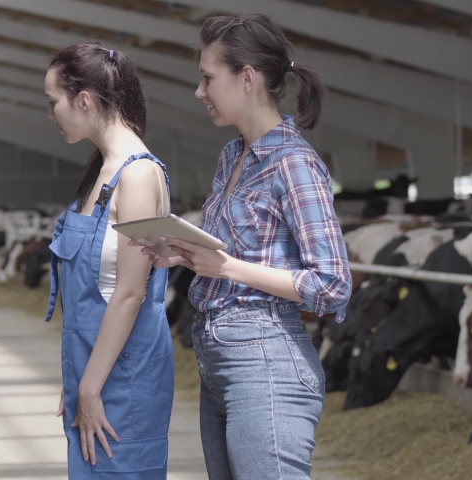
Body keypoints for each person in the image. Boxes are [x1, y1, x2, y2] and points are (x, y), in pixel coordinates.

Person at [133, 13, 352, 480]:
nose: (199, 91)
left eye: (208, 78)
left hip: (266, 359)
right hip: (217, 358)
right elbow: (231, 253)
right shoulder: (232, 156)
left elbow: (333, 284)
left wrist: (228, 268)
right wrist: (183, 253)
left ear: (247, 78)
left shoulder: (295, 164)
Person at [43, 43, 175, 478]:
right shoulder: (102, 172)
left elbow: (131, 293)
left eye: (53, 102)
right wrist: (77, 378)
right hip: (94, 371)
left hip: (125, 378)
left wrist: (91, 383)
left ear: (83, 100)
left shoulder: (137, 175)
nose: (51, 114)